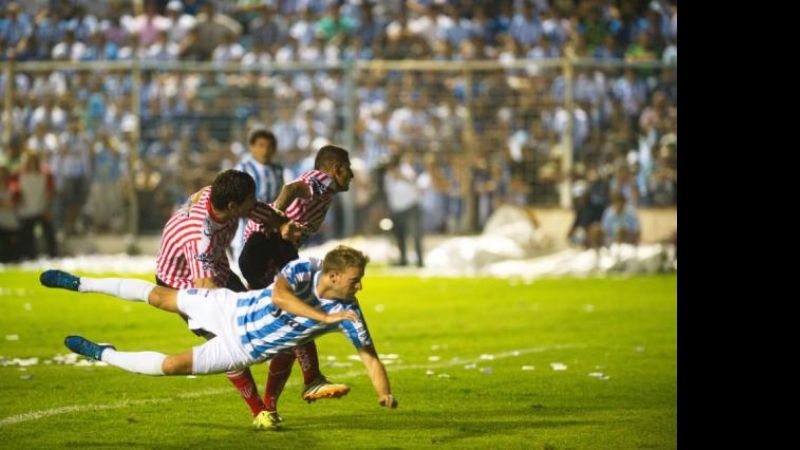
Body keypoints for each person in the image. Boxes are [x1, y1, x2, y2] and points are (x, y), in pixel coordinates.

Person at [39, 245, 398, 430]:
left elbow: (370, 357)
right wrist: (324, 316)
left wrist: (384, 393)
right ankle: (80, 283)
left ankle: (103, 354)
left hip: (238, 349)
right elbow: (279, 296)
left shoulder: (350, 313)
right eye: (355, 279)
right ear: (333, 275)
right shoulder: (307, 268)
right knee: (161, 296)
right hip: (229, 308)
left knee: (169, 366)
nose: (360, 286)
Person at [153, 169, 300, 421]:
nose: (254, 203)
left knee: (272, 329)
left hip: (218, 270)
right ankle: (259, 412)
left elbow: (262, 212)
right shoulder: (200, 235)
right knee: (227, 341)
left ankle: (270, 405)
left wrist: (284, 225)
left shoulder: (222, 198)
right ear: (232, 206)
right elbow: (206, 290)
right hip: (184, 285)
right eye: (250, 200)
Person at [234, 144, 355, 420]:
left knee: (291, 328)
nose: (353, 175)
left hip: (277, 247)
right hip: (267, 245)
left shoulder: (326, 188)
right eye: (348, 169)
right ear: (336, 169)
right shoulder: (322, 181)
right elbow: (291, 188)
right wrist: (276, 219)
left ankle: (273, 405)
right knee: (295, 314)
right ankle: (309, 378)